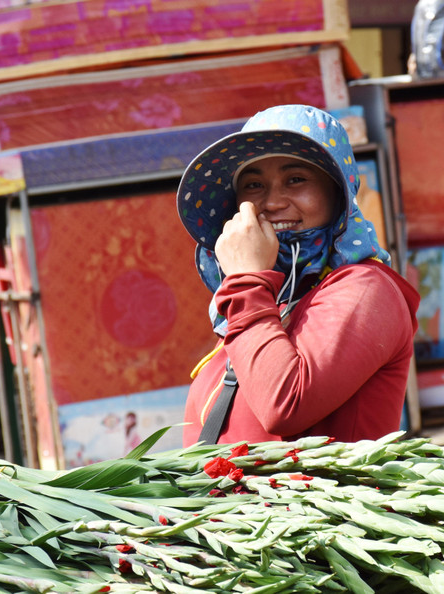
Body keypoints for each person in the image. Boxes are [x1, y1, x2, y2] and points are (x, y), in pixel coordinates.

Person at [176, 104, 420, 446]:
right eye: (254, 184)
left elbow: (284, 404)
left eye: (296, 179)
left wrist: (245, 279)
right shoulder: (267, 300)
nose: (273, 202)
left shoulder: (366, 288)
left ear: (338, 195)